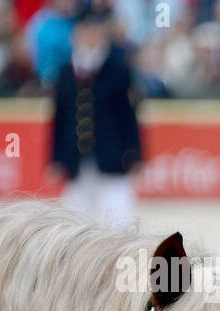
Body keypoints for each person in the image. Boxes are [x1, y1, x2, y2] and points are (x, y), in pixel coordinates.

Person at [48, 9, 142, 227]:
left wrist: (135, 152)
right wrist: (55, 157)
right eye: (86, 30)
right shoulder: (65, 72)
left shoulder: (118, 70)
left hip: (113, 156)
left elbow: (129, 115)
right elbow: (59, 118)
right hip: (77, 158)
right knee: (75, 223)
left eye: (95, 30)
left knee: (120, 220)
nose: (91, 35)